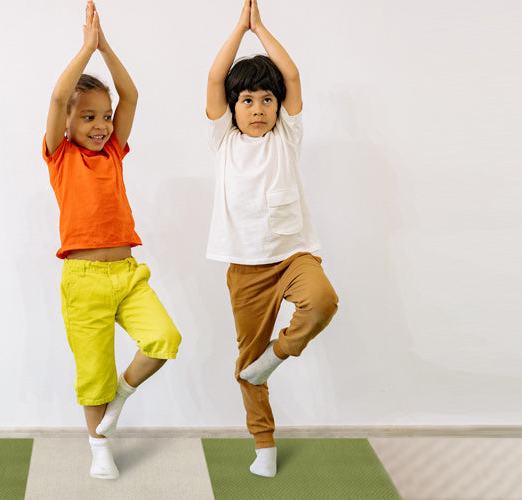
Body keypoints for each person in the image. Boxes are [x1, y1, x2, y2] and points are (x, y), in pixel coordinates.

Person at [43, 0, 182, 480]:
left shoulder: (114, 153)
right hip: (82, 280)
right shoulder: (59, 156)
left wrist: (104, 46)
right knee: (94, 373)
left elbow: (131, 94)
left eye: (105, 117)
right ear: (67, 124)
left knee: (165, 339)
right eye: (88, 118)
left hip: (127, 274)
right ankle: (99, 445)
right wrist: (85, 49)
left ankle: (121, 398)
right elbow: (60, 97)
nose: (101, 125)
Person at [205, 0, 340, 478]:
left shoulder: (287, 136)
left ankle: (278, 354)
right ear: (232, 108)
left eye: (267, 99)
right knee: (248, 361)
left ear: (278, 106)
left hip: (292, 254)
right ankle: (263, 444)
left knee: (322, 302)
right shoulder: (224, 139)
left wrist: (259, 29)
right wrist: (237, 31)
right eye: (247, 101)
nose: (258, 109)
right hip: (244, 266)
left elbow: (294, 76)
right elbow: (215, 77)